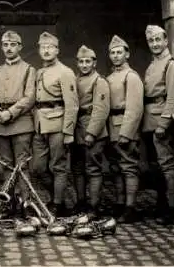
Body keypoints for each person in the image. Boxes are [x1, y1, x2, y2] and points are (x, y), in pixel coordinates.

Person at [0, 30, 36, 218]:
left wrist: (10, 113)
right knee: (6, 166)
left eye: (12, 44)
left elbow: (29, 97)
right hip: (0, 124)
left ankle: (26, 204)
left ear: (20, 47)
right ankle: (10, 203)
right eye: (6, 45)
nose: (9, 48)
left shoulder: (29, 70)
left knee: (22, 166)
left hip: (21, 123)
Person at [32, 32, 79, 217]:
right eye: (43, 47)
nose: (46, 50)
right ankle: (60, 198)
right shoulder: (39, 72)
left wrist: (68, 131)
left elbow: (72, 104)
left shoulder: (65, 72)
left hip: (58, 124)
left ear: (57, 50)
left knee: (58, 167)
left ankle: (58, 204)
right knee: (38, 168)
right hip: (40, 125)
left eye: (50, 47)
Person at [142, 25, 174, 224]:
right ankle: (162, 204)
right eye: (151, 41)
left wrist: (164, 124)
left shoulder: (171, 65)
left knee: (166, 165)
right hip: (149, 121)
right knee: (155, 165)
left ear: (166, 41)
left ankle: (173, 208)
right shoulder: (152, 65)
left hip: (161, 122)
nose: (155, 44)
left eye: (158, 40)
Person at [106, 35, 144, 223]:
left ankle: (130, 207)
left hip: (123, 129)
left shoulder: (131, 77)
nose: (115, 56)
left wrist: (126, 133)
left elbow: (135, 108)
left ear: (127, 54)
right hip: (111, 128)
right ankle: (120, 203)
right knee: (115, 168)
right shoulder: (111, 77)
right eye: (112, 53)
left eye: (119, 52)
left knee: (129, 168)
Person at [70, 45, 110, 218]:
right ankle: (80, 203)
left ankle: (93, 206)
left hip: (93, 131)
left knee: (93, 169)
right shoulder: (76, 80)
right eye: (81, 61)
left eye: (88, 61)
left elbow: (101, 109)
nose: (84, 65)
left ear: (94, 63)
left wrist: (92, 133)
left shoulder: (99, 81)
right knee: (77, 169)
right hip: (77, 130)